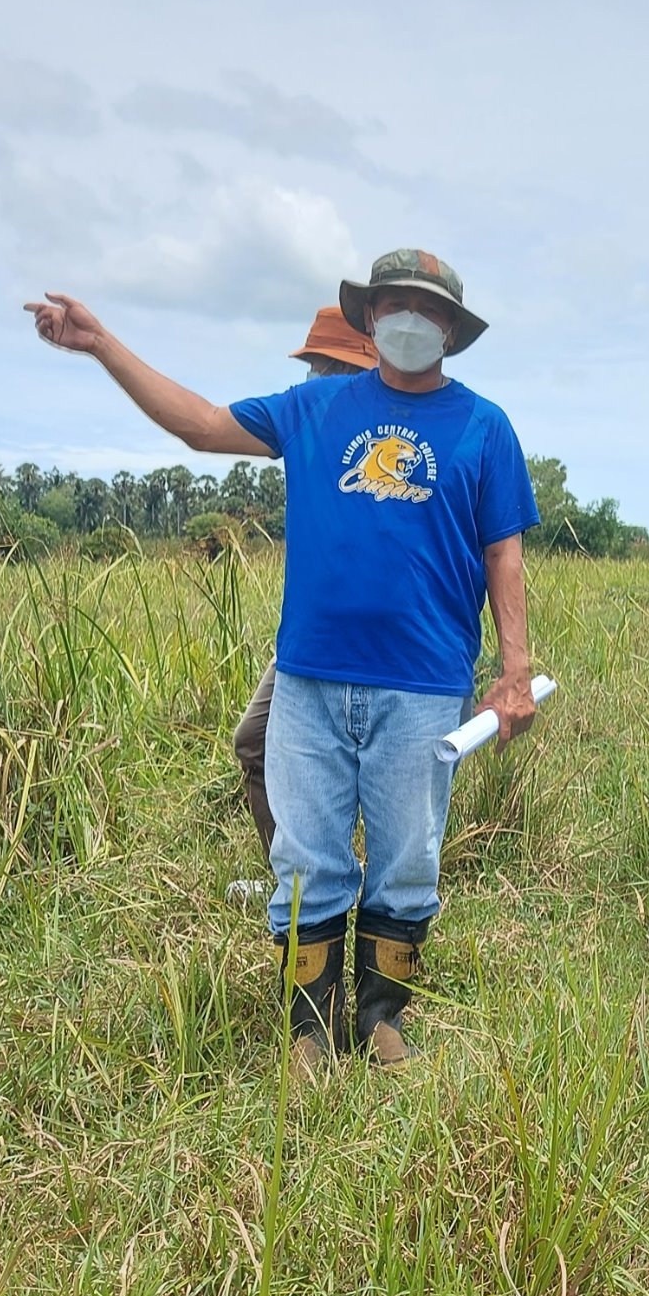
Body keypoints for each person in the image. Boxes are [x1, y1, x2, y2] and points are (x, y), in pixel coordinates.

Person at [26, 249, 540, 1073]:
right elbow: (198, 425)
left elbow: (503, 553)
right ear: (369, 320)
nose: (410, 319)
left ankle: (381, 1018)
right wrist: (103, 346)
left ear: (451, 328)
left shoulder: (484, 425)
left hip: (423, 683)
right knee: (308, 857)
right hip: (309, 678)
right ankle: (309, 1027)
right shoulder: (314, 408)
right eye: (394, 304)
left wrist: (514, 672)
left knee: (409, 857)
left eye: (428, 308)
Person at [224, 307, 379, 917]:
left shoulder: (378, 432)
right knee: (255, 742)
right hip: (315, 642)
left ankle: (338, 891)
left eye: (318, 363)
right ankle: (296, 880)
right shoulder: (313, 427)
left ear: (342, 367)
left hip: (381, 647)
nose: (310, 374)